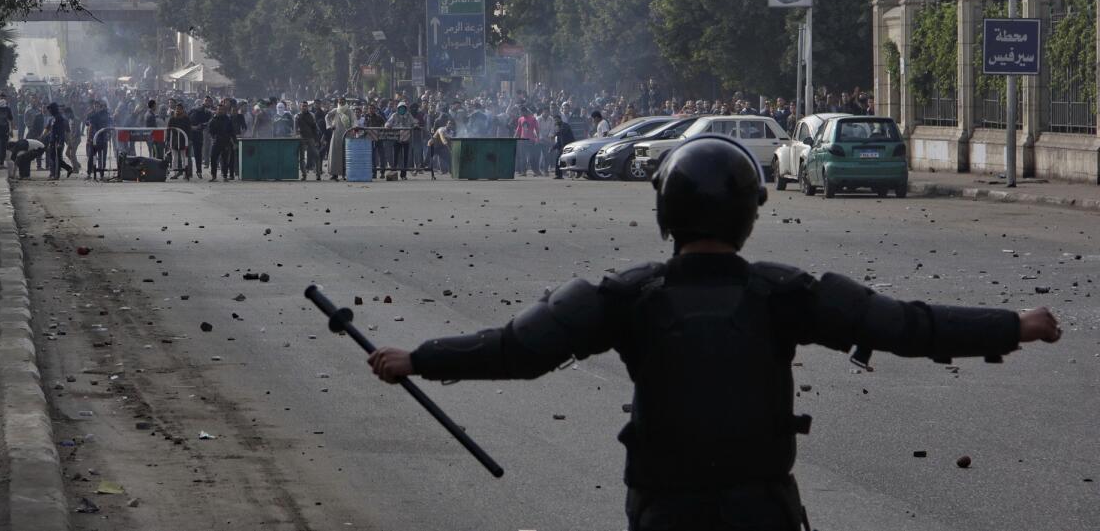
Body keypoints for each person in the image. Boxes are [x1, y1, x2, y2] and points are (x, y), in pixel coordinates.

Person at [366, 135, 1062, 531]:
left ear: (665, 213)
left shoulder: (625, 298)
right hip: (764, 515)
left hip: (667, 518)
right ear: (748, 215)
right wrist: (1015, 324)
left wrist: (416, 358)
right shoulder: (786, 295)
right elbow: (908, 325)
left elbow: (515, 349)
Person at [383, 102, 415, 179]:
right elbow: (388, 123)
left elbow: (414, 122)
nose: (402, 109)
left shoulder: (408, 115)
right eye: (400, 108)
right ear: (398, 109)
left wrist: (416, 125)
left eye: (403, 108)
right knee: (395, 157)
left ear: (405, 109)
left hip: (406, 139)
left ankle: (403, 175)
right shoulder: (394, 115)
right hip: (396, 139)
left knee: (405, 158)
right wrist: (387, 125)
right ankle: (393, 173)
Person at [207, 101, 237, 182]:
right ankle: (214, 176)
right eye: (219, 109)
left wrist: (234, 143)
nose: (220, 111)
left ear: (225, 110)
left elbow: (232, 132)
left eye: (222, 109)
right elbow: (210, 131)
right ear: (216, 110)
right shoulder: (213, 120)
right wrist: (213, 138)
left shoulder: (228, 120)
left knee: (225, 159)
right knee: (213, 158)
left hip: (226, 142)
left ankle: (225, 175)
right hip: (216, 142)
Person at [327, 97, 354, 181]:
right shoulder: (336, 110)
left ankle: (345, 174)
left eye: (343, 101)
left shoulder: (349, 111)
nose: (341, 103)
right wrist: (330, 126)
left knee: (346, 155)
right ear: (338, 102)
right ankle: (334, 174)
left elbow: (353, 121)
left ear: (345, 102)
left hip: (347, 135)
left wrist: (353, 128)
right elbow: (327, 117)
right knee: (334, 155)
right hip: (336, 135)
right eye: (340, 101)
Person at [295, 101, 322, 181]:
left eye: (306, 106)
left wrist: (317, 140)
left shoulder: (311, 115)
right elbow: (295, 129)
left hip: (311, 138)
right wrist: (297, 136)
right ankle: (304, 175)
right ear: (300, 107)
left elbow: (315, 128)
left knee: (317, 155)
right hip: (302, 138)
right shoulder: (297, 116)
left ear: (308, 107)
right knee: (302, 158)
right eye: (303, 106)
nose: (304, 107)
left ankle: (318, 175)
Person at [166, 104, 192, 178]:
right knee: (174, 158)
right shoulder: (172, 119)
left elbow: (189, 130)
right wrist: (168, 140)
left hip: (184, 141)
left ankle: (185, 174)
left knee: (184, 158)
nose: (178, 110)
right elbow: (168, 130)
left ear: (182, 110)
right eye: (177, 108)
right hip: (174, 141)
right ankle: (175, 173)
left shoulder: (186, 119)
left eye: (180, 109)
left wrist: (189, 139)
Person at [551, 115, 575, 179]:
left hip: (569, 145)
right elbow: (559, 141)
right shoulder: (558, 127)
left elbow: (563, 132)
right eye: (554, 120)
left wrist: (556, 134)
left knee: (567, 160)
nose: (555, 122)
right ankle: (559, 175)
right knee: (559, 159)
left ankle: (561, 174)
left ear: (560, 119)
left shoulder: (565, 125)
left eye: (556, 120)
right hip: (563, 147)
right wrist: (553, 148)